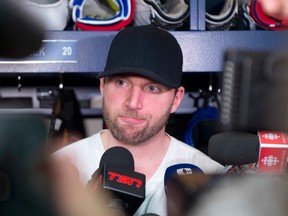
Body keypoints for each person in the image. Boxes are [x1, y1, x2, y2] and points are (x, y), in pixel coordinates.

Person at [53, 24, 224, 216]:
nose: (133, 103)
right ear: (103, 87)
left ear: (176, 99)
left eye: (152, 88)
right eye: (121, 83)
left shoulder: (213, 180)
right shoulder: (59, 171)